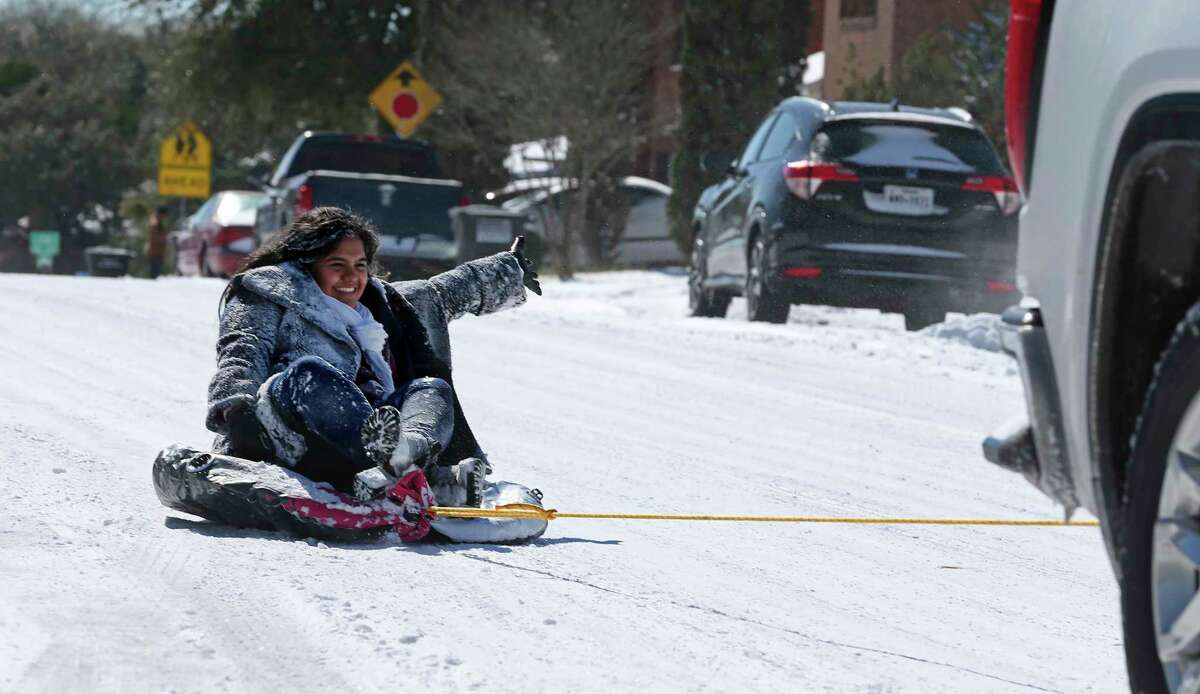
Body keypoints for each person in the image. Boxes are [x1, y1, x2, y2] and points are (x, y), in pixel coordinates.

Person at [205, 206, 541, 496]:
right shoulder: (267, 294)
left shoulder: (382, 306)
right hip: (293, 438)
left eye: (360, 265)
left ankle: (401, 461)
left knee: (430, 389)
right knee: (310, 373)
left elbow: (443, 291)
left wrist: (510, 269)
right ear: (308, 266)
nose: (352, 277)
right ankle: (401, 476)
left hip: (373, 444)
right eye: (338, 264)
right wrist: (236, 410)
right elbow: (242, 351)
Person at [145, 206, 169, 279]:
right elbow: (153, 236)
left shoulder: (157, 221)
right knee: (154, 273)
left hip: (157, 251)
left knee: (155, 272)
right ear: (161, 214)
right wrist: (163, 237)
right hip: (154, 251)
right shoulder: (155, 223)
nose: (165, 217)